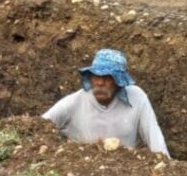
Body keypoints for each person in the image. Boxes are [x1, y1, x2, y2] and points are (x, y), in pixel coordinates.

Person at [42, 48, 170, 156]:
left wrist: (166, 168)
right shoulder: (73, 103)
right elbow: (38, 127)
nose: (99, 82)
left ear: (119, 81)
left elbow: (156, 141)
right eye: (96, 76)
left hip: (126, 172)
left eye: (106, 77)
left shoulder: (137, 97)